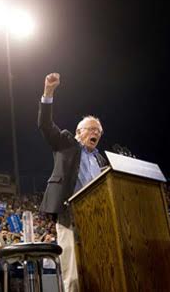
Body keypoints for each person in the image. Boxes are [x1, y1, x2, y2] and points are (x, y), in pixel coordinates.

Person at [37, 72, 108, 292]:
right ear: (79, 132)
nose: (96, 132)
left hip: (99, 216)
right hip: (71, 214)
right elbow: (45, 125)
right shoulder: (66, 143)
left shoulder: (101, 159)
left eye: (99, 130)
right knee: (74, 273)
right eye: (91, 129)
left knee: (101, 267)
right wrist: (49, 92)